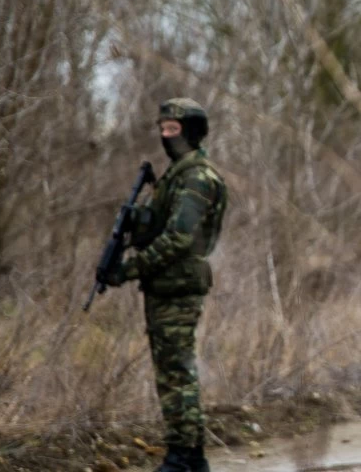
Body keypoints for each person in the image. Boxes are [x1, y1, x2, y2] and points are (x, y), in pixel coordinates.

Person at [99, 97, 228, 472]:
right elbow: (160, 229)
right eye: (163, 130)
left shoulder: (197, 177)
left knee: (177, 374)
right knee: (173, 372)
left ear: (192, 131)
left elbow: (179, 238)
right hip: (165, 284)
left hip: (178, 285)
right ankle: (190, 456)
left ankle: (184, 458)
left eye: (174, 130)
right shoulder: (177, 174)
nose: (166, 136)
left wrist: (129, 270)